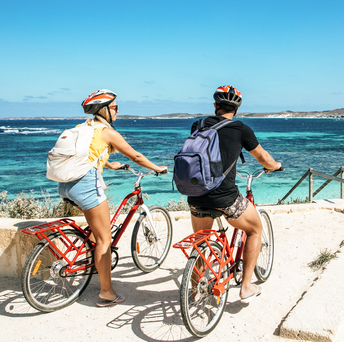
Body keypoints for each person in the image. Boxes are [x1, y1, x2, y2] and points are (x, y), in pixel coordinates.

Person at [58, 89, 167, 307]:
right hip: (85, 186)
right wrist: (157, 168)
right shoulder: (107, 132)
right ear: (104, 110)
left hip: (65, 186)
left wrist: (109, 164)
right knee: (105, 240)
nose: (118, 110)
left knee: (96, 230)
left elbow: (87, 154)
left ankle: (92, 261)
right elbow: (136, 156)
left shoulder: (82, 128)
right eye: (115, 107)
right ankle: (107, 292)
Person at [187, 85, 282, 303]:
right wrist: (275, 166)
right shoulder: (241, 129)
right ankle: (246, 287)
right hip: (225, 197)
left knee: (201, 241)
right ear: (237, 109)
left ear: (215, 105)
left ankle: (193, 291)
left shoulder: (198, 125)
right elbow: (263, 158)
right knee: (255, 230)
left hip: (196, 194)